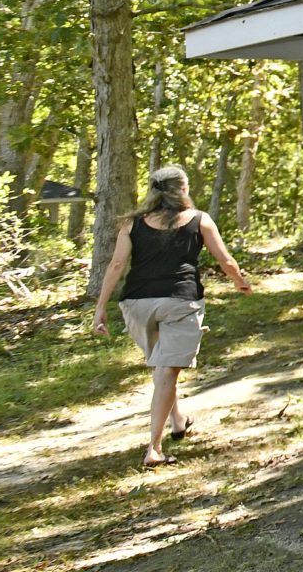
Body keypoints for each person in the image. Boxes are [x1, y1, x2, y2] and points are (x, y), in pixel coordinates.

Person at [93, 165, 253, 469]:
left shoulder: (132, 223)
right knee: (166, 371)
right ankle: (153, 448)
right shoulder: (199, 220)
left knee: (162, 366)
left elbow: (116, 266)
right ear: (182, 190)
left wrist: (101, 307)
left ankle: (178, 421)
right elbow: (225, 259)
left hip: (137, 304)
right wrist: (240, 282)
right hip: (180, 301)